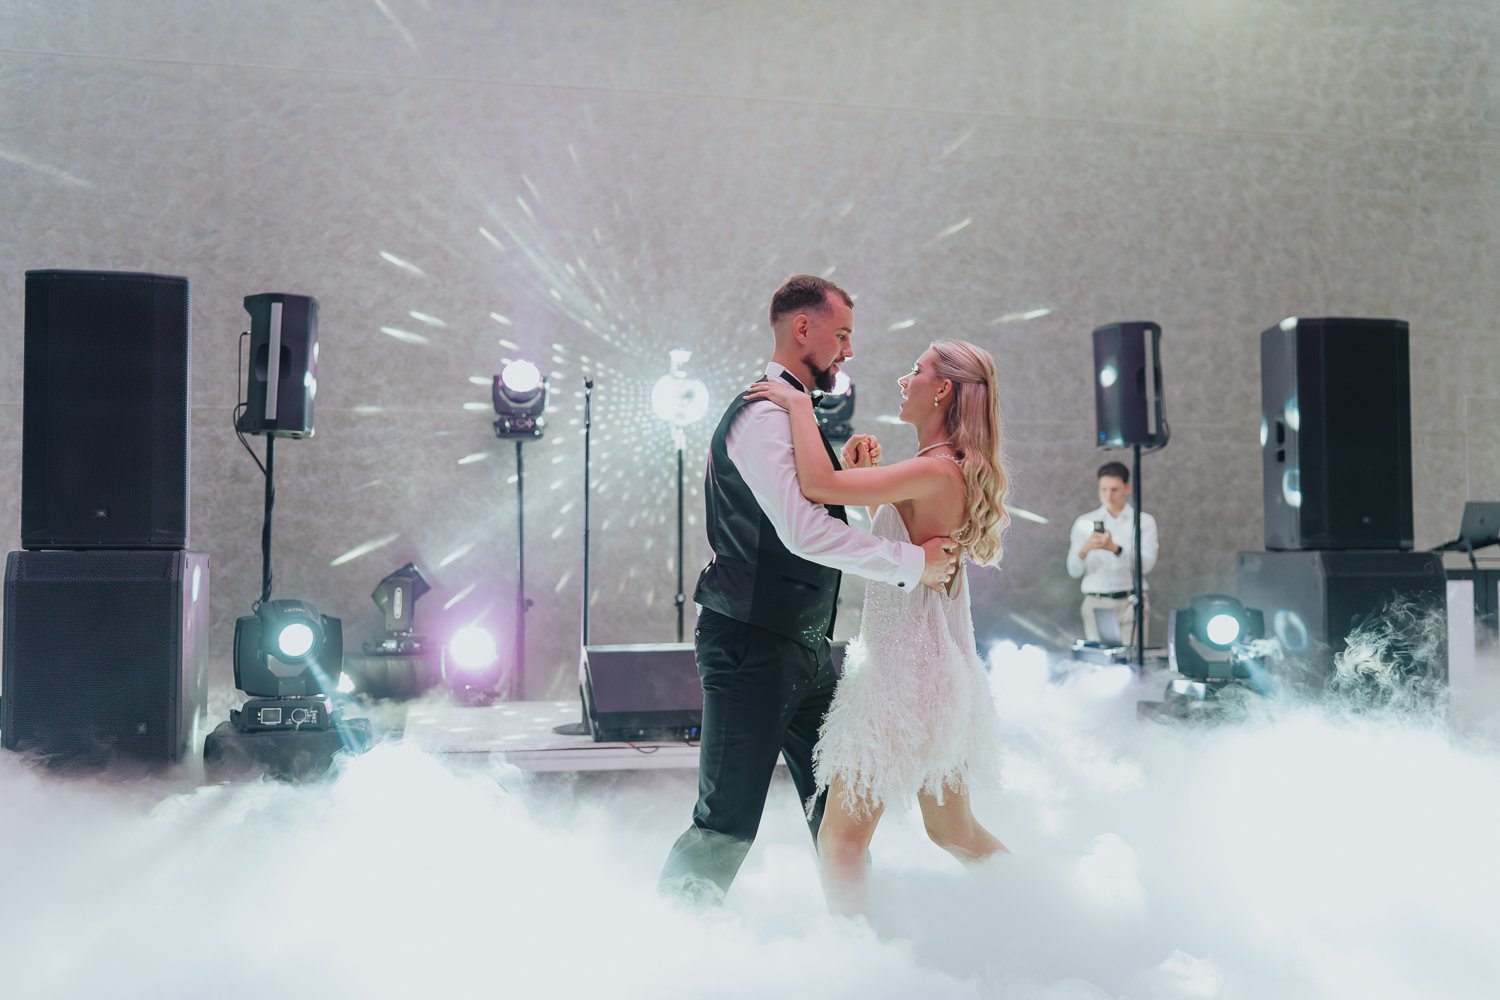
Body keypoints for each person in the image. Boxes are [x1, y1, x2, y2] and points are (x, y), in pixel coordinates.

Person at [657, 275, 959, 905]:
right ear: (803, 328)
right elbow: (802, 534)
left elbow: (806, 510)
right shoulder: (763, 414)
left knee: (838, 820)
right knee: (725, 824)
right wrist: (913, 563)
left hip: (808, 650)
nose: (849, 350)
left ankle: (860, 939)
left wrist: (848, 477)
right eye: (841, 334)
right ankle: (674, 941)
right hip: (749, 645)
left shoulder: (791, 413)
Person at [743, 338, 1010, 915]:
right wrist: (866, 479)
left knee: (841, 842)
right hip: (937, 672)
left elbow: (818, 487)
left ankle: (856, 957)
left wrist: (798, 406)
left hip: (901, 678)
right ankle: (1033, 911)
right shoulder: (944, 468)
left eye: (916, 370)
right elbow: (899, 541)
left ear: (942, 390)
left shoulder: (936, 470)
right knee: (953, 830)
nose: (902, 380)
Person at [1066, 461, 1158, 645]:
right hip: (1096, 601)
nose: (1109, 495)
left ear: (1127, 488)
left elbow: (1147, 565)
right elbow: (1073, 571)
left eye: (1115, 489)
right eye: (1103, 489)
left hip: (1131, 602)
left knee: (1133, 660)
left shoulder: (1143, 521)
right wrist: (1084, 550)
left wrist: (1116, 549)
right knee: (1100, 659)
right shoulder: (1084, 523)